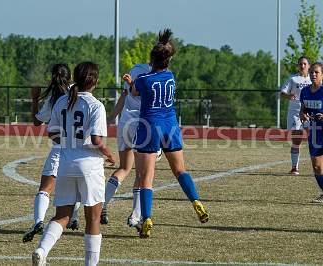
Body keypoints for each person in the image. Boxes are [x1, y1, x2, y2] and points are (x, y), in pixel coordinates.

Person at [122, 29, 209, 238]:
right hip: (170, 125)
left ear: (151, 60)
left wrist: (129, 81)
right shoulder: (171, 76)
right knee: (180, 171)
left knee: (145, 178)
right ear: (168, 60)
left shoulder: (143, 79)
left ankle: (147, 219)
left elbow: (134, 92)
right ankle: (196, 200)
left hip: (149, 126)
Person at [32, 61, 115, 266]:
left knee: (62, 215)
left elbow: (51, 132)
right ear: (94, 80)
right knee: (93, 219)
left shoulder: (62, 101)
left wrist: (69, 143)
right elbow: (96, 140)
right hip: (90, 167)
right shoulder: (96, 105)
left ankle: (42, 250)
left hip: (66, 164)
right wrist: (108, 153)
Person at [23, 64, 81, 243]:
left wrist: (34, 99)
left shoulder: (54, 99)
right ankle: (75, 217)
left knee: (44, 190)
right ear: (70, 76)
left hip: (59, 148)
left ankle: (38, 221)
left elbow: (37, 122)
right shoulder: (79, 93)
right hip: (79, 149)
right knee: (77, 187)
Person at [101, 62, 158, 229]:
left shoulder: (136, 69)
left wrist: (112, 117)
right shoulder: (161, 76)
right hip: (143, 124)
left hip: (125, 122)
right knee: (143, 174)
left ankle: (102, 204)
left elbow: (125, 95)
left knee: (124, 168)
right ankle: (136, 215)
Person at [281, 56, 311, 175]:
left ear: (309, 65)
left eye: (304, 64)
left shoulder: (313, 79)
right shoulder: (293, 79)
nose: (302, 66)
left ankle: (318, 166)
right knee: (296, 141)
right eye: (300, 64)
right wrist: (288, 96)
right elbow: (283, 92)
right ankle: (294, 167)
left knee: (315, 139)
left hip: (310, 113)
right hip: (295, 113)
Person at [300, 62, 323, 203]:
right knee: (317, 167)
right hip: (315, 132)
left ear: (322, 75)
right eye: (312, 72)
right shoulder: (305, 91)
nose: (313, 75)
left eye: (317, 72)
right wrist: (303, 114)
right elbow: (304, 109)